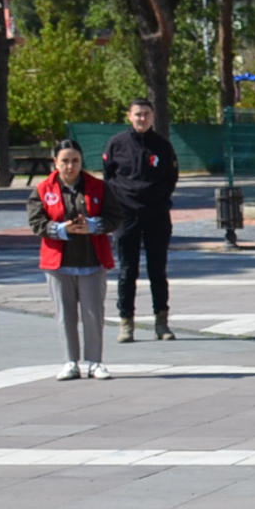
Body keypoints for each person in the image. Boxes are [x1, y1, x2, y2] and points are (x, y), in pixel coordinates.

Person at [29, 140, 114, 381]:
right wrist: (61, 229)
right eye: (65, 161)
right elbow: (37, 223)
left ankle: (95, 362)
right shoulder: (43, 189)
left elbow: (114, 216)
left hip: (92, 260)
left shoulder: (98, 187)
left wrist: (93, 225)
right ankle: (70, 361)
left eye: (75, 161)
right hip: (58, 262)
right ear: (55, 162)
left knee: (93, 314)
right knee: (65, 314)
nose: (70, 166)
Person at [102, 98, 178, 343]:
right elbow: (108, 177)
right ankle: (126, 323)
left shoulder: (163, 146)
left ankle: (161, 322)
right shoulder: (117, 144)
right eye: (138, 114)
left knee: (157, 270)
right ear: (129, 116)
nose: (142, 118)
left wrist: (159, 199)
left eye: (146, 114)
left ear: (153, 116)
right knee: (127, 271)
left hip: (156, 215)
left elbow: (171, 178)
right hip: (126, 216)